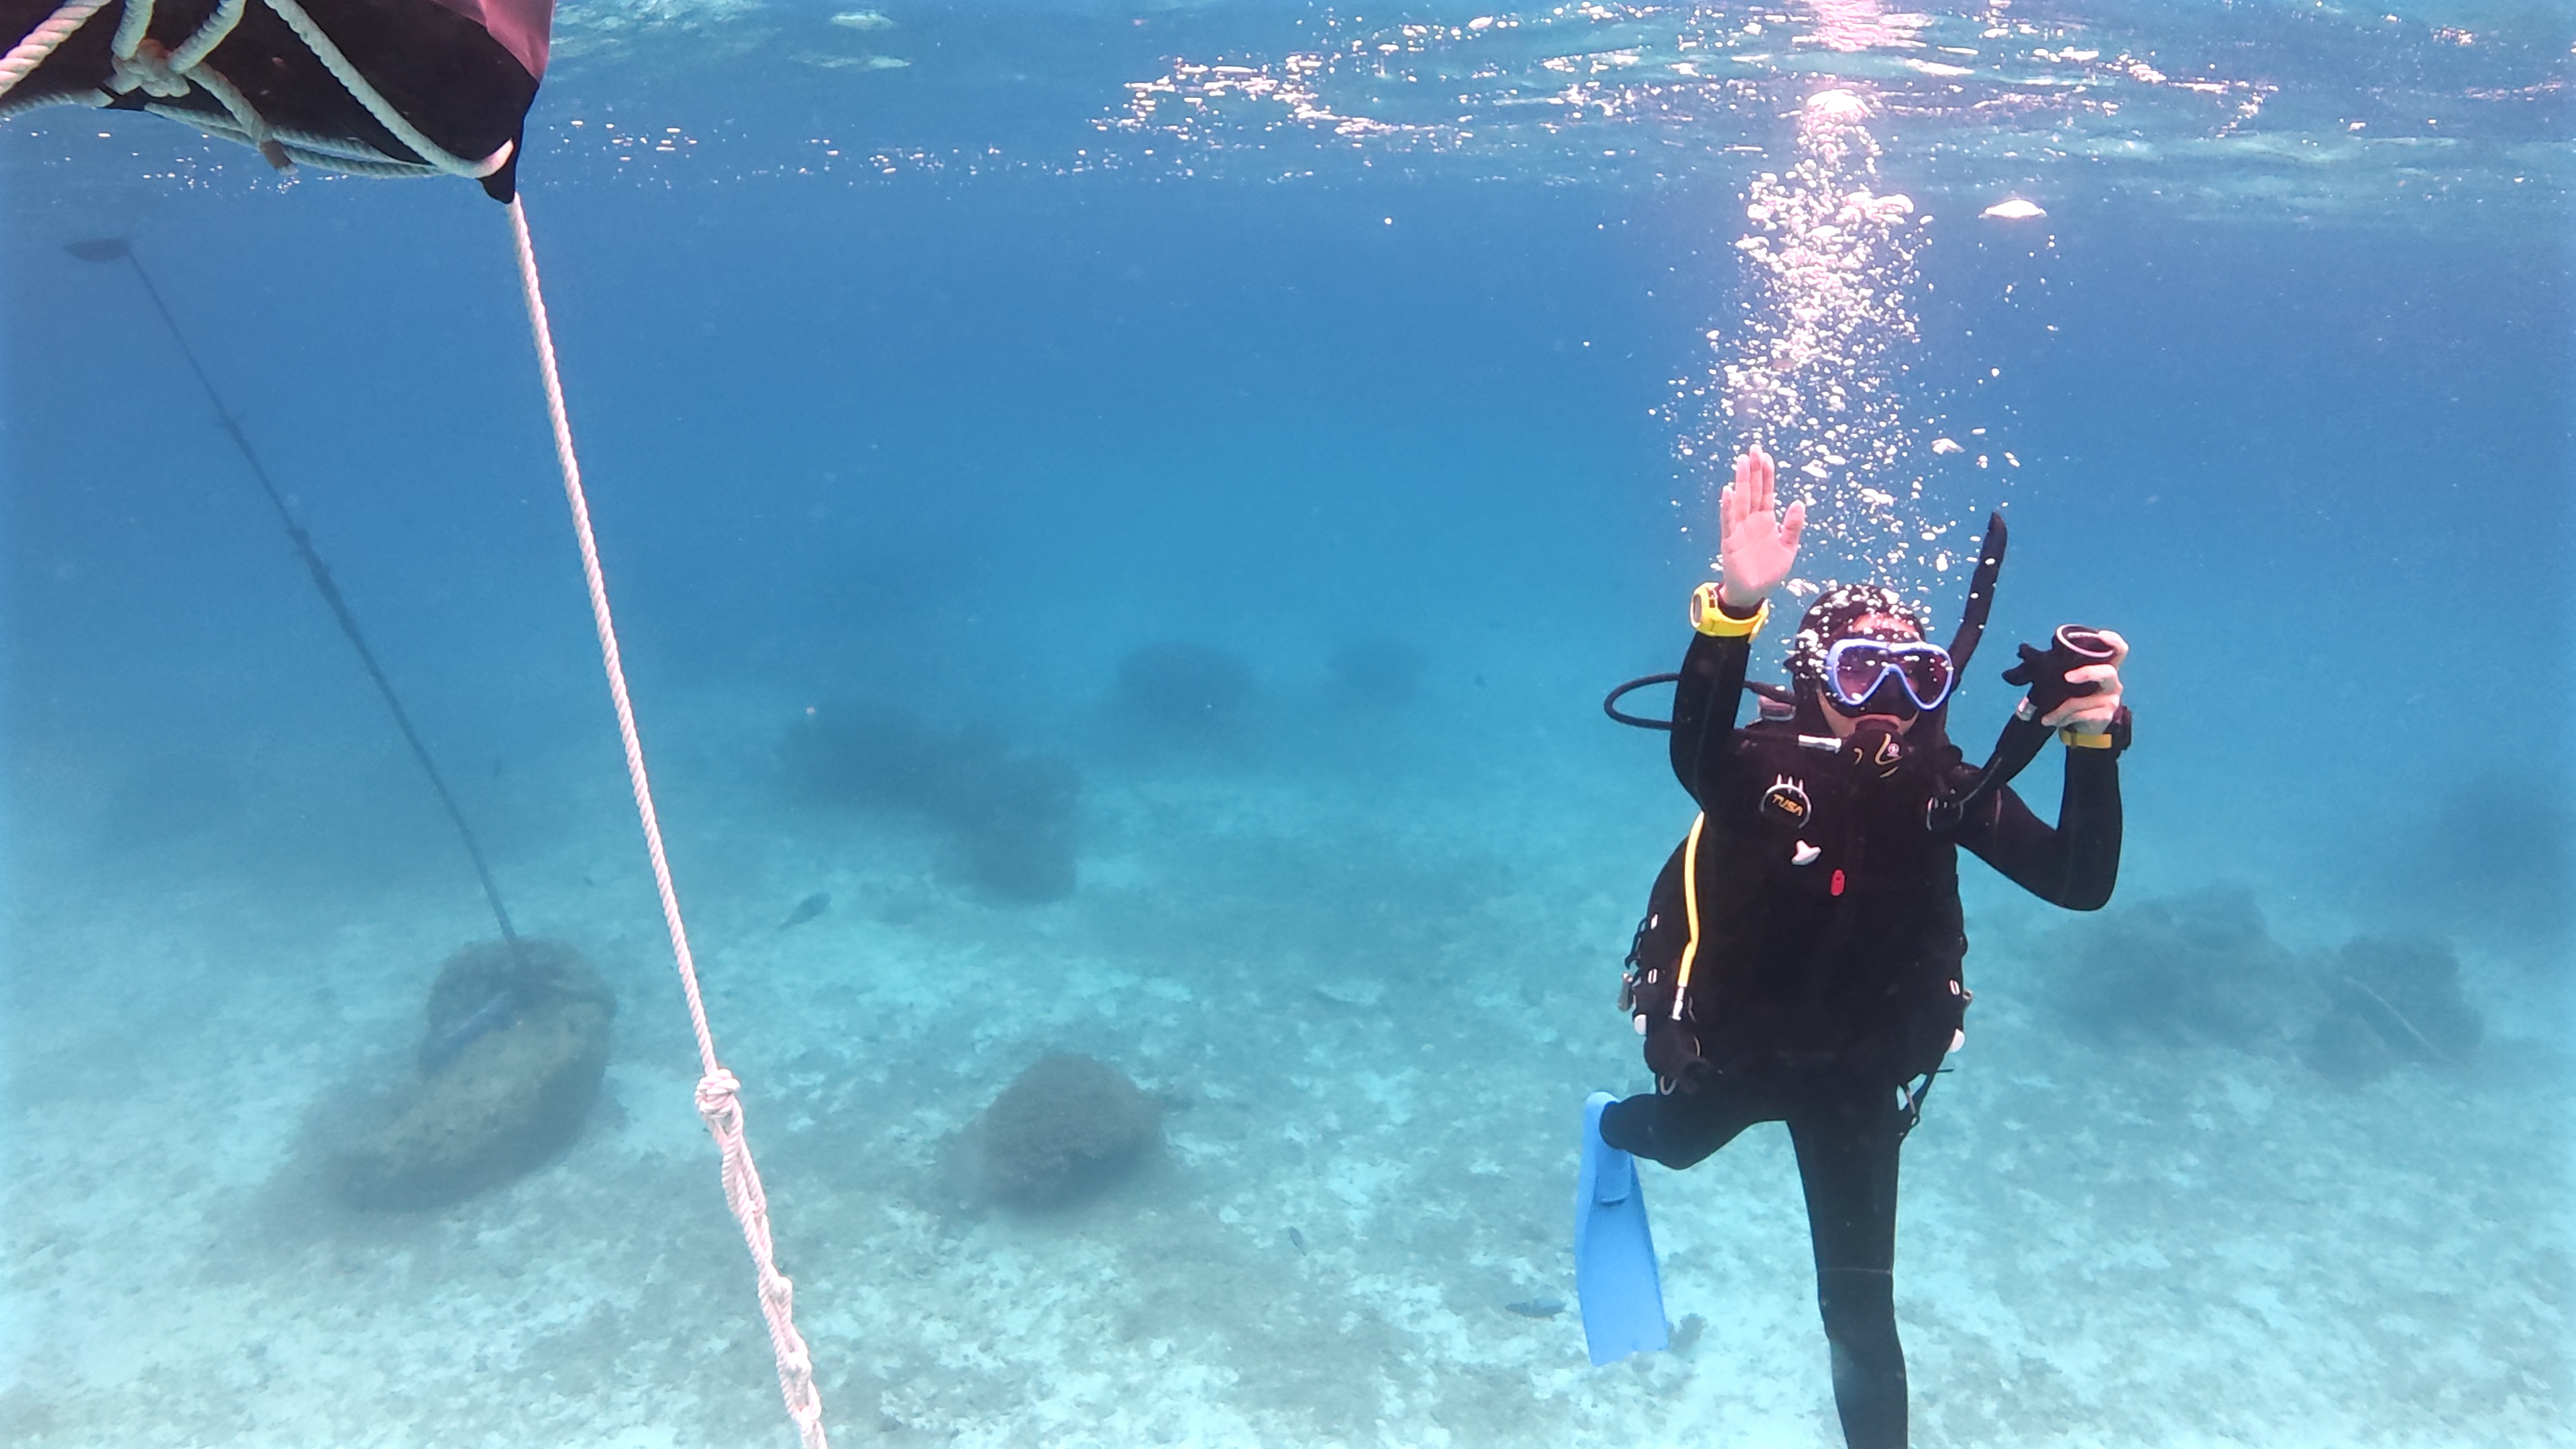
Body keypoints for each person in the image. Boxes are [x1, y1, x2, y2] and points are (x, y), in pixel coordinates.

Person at [1574, 445, 2129, 1449]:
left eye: (1916, 676)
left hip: (1861, 1079)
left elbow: (2078, 883)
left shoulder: (1942, 787)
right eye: (1859, 670)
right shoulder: (1756, 770)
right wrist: (1736, 607)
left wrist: (2090, 742)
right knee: (1677, 1145)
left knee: (1862, 1321)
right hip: (1732, 1056)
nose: (1888, 701)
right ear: (1810, 677)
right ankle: (1609, 1128)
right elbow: (1694, 749)